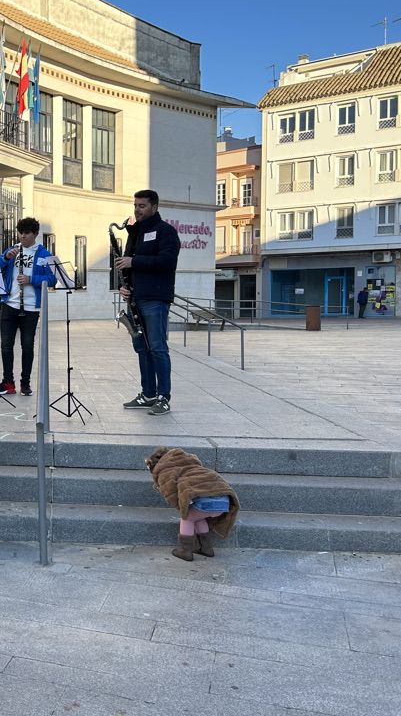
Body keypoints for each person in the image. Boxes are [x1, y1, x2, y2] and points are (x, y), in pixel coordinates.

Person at [116, 190, 181, 416]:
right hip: (135, 298)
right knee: (142, 348)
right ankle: (148, 394)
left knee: (158, 348)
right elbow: (127, 266)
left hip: (155, 298)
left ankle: (163, 398)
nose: (137, 210)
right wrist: (124, 286)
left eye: (142, 206)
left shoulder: (166, 232)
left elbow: (167, 262)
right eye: (135, 205)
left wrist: (134, 261)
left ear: (154, 207)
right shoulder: (135, 232)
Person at [0, 217, 57, 397]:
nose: (22, 236)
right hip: (10, 304)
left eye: (26, 233)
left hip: (30, 307)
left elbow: (53, 279)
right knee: (6, 345)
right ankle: (8, 382)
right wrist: (5, 258)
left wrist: (31, 280)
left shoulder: (44, 254)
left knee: (27, 346)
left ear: (35, 234)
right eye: (20, 232)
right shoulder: (12, 250)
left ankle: (25, 383)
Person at [145, 446, 239, 562]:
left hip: (206, 501)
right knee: (199, 517)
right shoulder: (192, 465)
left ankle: (185, 550)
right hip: (224, 501)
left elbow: (171, 493)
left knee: (187, 518)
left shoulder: (166, 470)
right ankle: (206, 548)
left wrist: (182, 507)